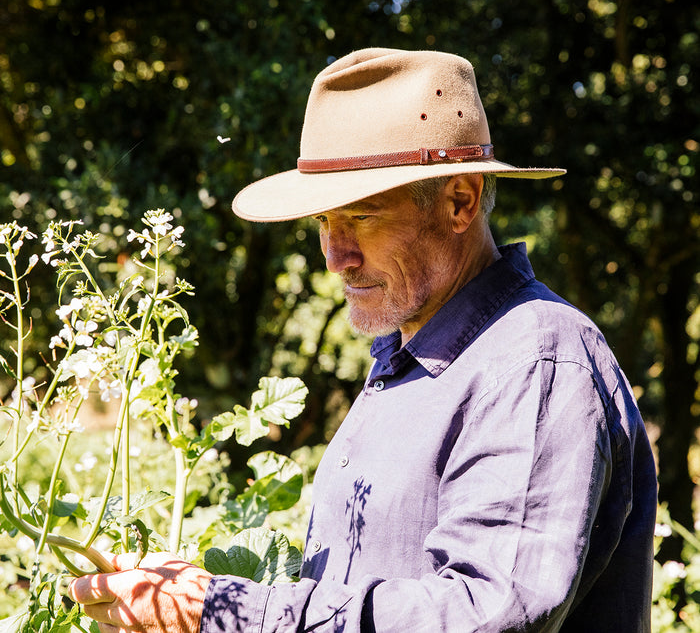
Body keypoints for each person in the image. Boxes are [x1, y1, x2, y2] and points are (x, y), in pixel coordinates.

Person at [70, 48, 657, 632]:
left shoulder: (534, 361)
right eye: (324, 222)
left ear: (460, 201)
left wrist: (227, 613)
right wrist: (198, 599)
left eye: (363, 217)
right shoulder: (412, 357)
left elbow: (488, 614)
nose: (336, 257)